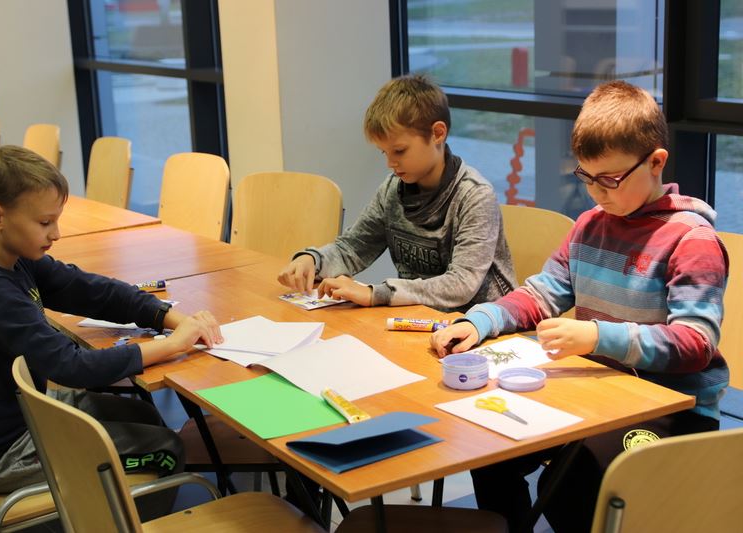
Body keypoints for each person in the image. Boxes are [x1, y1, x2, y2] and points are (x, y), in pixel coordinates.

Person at [430, 80, 729, 533]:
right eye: (586, 177)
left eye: (609, 179)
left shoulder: (692, 240)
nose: (596, 193)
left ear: (656, 162)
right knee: (489, 447)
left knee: (571, 486)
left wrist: (596, 336)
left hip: (671, 409)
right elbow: (542, 293)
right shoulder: (590, 226)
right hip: (600, 396)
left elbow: (695, 343)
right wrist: (480, 321)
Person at [0, 146, 223, 519]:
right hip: (2, 454)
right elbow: (72, 367)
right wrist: (172, 345)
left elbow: (92, 291)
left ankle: (113, 513)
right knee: (167, 449)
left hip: (24, 416)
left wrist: (171, 318)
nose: (56, 233)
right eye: (45, 223)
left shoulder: (10, 259)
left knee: (143, 415)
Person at [277, 74, 515, 313]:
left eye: (399, 151)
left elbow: (461, 284)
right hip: (420, 316)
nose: (390, 163)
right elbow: (354, 247)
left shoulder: (474, 196)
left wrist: (376, 293)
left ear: (437, 133)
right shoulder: (392, 190)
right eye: (384, 152)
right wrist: (313, 260)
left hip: (483, 324)